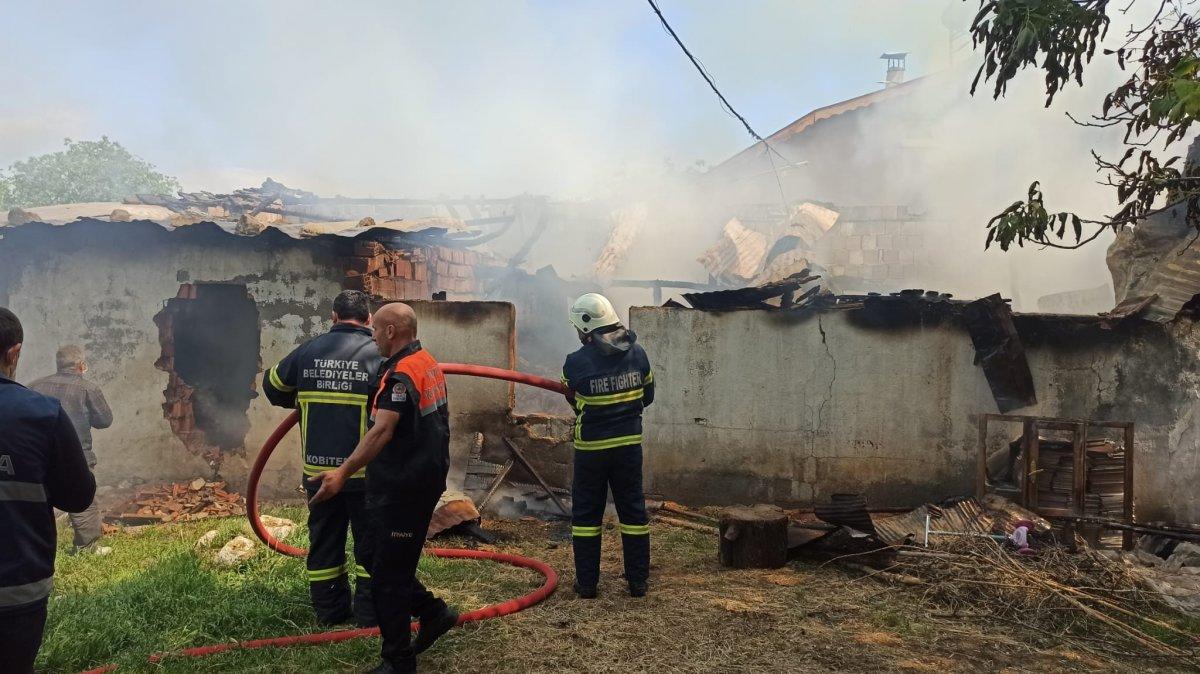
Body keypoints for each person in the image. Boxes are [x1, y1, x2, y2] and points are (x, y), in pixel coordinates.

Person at [309, 301, 458, 674]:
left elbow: (381, 431)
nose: (371, 336)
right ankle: (434, 612)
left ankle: (398, 660)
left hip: (404, 489)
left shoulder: (401, 374)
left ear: (391, 331)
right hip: (414, 480)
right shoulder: (425, 361)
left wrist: (341, 473)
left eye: (375, 330)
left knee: (388, 579)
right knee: (378, 557)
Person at [263, 290, 382, 627]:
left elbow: (272, 386)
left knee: (325, 544)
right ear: (369, 318)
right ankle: (369, 615)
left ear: (333, 316)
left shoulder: (308, 350)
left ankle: (330, 614)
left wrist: (305, 397)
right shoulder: (378, 354)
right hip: (363, 473)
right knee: (369, 547)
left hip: (317, 474)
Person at [0, 308, 96, 674]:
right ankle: (87, 543)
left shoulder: (40, 390)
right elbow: (77, 497)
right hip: (16, 591)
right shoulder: (41, 412)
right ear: (14, 352)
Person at [560, 293, 654, 599]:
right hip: (629, 447)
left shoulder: (574, 363)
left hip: (592, 451)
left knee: (587, 515)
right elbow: (648, 397)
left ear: (586, 329)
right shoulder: (638, 354)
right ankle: (638, 582)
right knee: (633, 512)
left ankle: (587, 585)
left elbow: (573, 399)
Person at [30, 344, 113, 554]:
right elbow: (104, 420)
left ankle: (36, 548)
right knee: (82, 499)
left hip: (38, 456)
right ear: (81, 365)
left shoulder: (34, 386)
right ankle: (87, 548)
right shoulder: (88, 388)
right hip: (76, 455)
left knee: (38, 501)